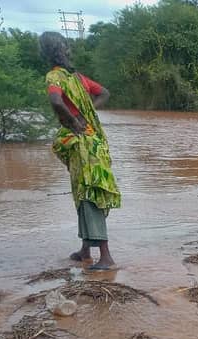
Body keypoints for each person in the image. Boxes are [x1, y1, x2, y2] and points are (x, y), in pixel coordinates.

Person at [39, 31, 121, 270]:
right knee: (83, 193)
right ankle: (86, 250)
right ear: (65, 50)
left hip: (82, 144)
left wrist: (74, 122)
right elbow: (104, 93)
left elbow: (56, 102)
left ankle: (106, 257)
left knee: (89, 195)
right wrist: (87, 113)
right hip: (92, 142)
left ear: (45, 53)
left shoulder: (54, 77)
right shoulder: (78, 78)